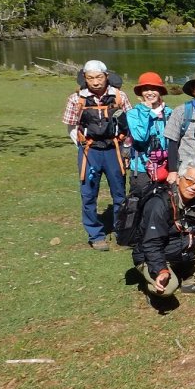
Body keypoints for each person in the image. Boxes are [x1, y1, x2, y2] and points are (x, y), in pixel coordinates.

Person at [133, 160, 195, 296]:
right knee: (168, 288)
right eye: (189, 181)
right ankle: (153, 285)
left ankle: (193, 281)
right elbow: (151, 243)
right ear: (179, 179)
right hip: (152, 253)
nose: (193, 187)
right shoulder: (159, 204)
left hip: (179, 246)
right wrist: (161, 270)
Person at [61, 59, 132, 250]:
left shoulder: (119, 96)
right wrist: (81, 145)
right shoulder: (76, 99)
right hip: (89, 151)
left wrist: (126, 149)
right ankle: (95, 235)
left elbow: (130, 123)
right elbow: (70, 125)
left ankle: (121, 231)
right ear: (85, 78)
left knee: (119, 194)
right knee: (88, 193)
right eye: (90, 78)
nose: (95, 82)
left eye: (99, 77)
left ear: (106, 76)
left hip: (113, 149)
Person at [126, 71, 171, 197]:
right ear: (141, 92)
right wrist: (147, 112)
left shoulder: (170, 113)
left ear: (160, 91)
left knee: (164, 204)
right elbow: (140, 137)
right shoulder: (133, 113)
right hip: (141, 168)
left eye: (154, 89)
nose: (150, 93)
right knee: (138, 204)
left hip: (165, 166)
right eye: (146, 89)